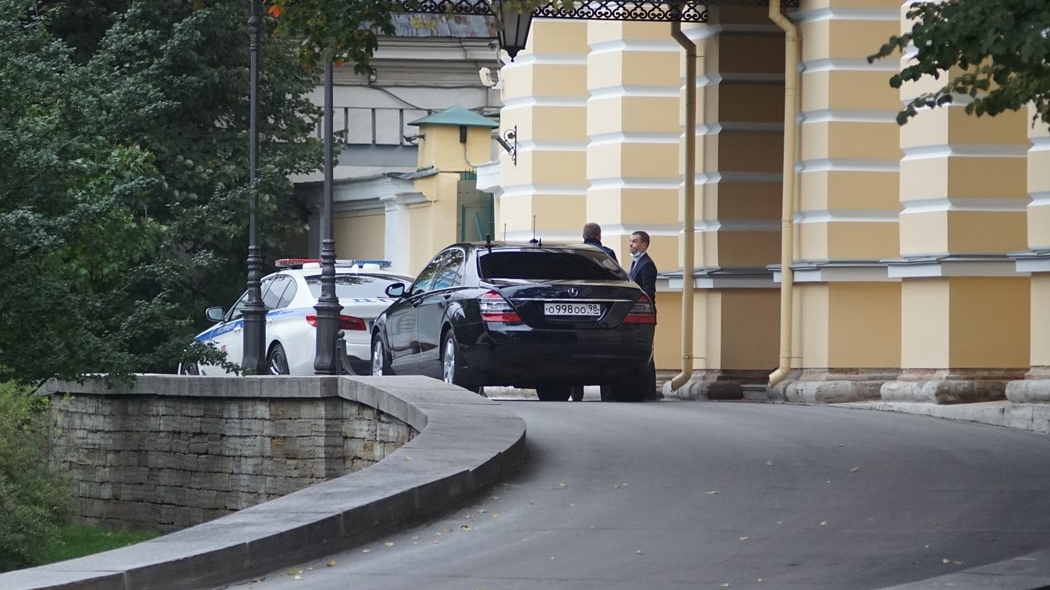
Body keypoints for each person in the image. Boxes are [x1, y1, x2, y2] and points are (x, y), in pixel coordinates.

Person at [628, 230, 660, 400]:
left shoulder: (646, 264)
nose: (631, 244)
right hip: (638, 314)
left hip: (644, 315)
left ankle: (649, 390)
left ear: (644, 244)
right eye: (630, 241)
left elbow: (648, 292)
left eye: (634, 241)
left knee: (646, 353)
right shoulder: (636, 262)